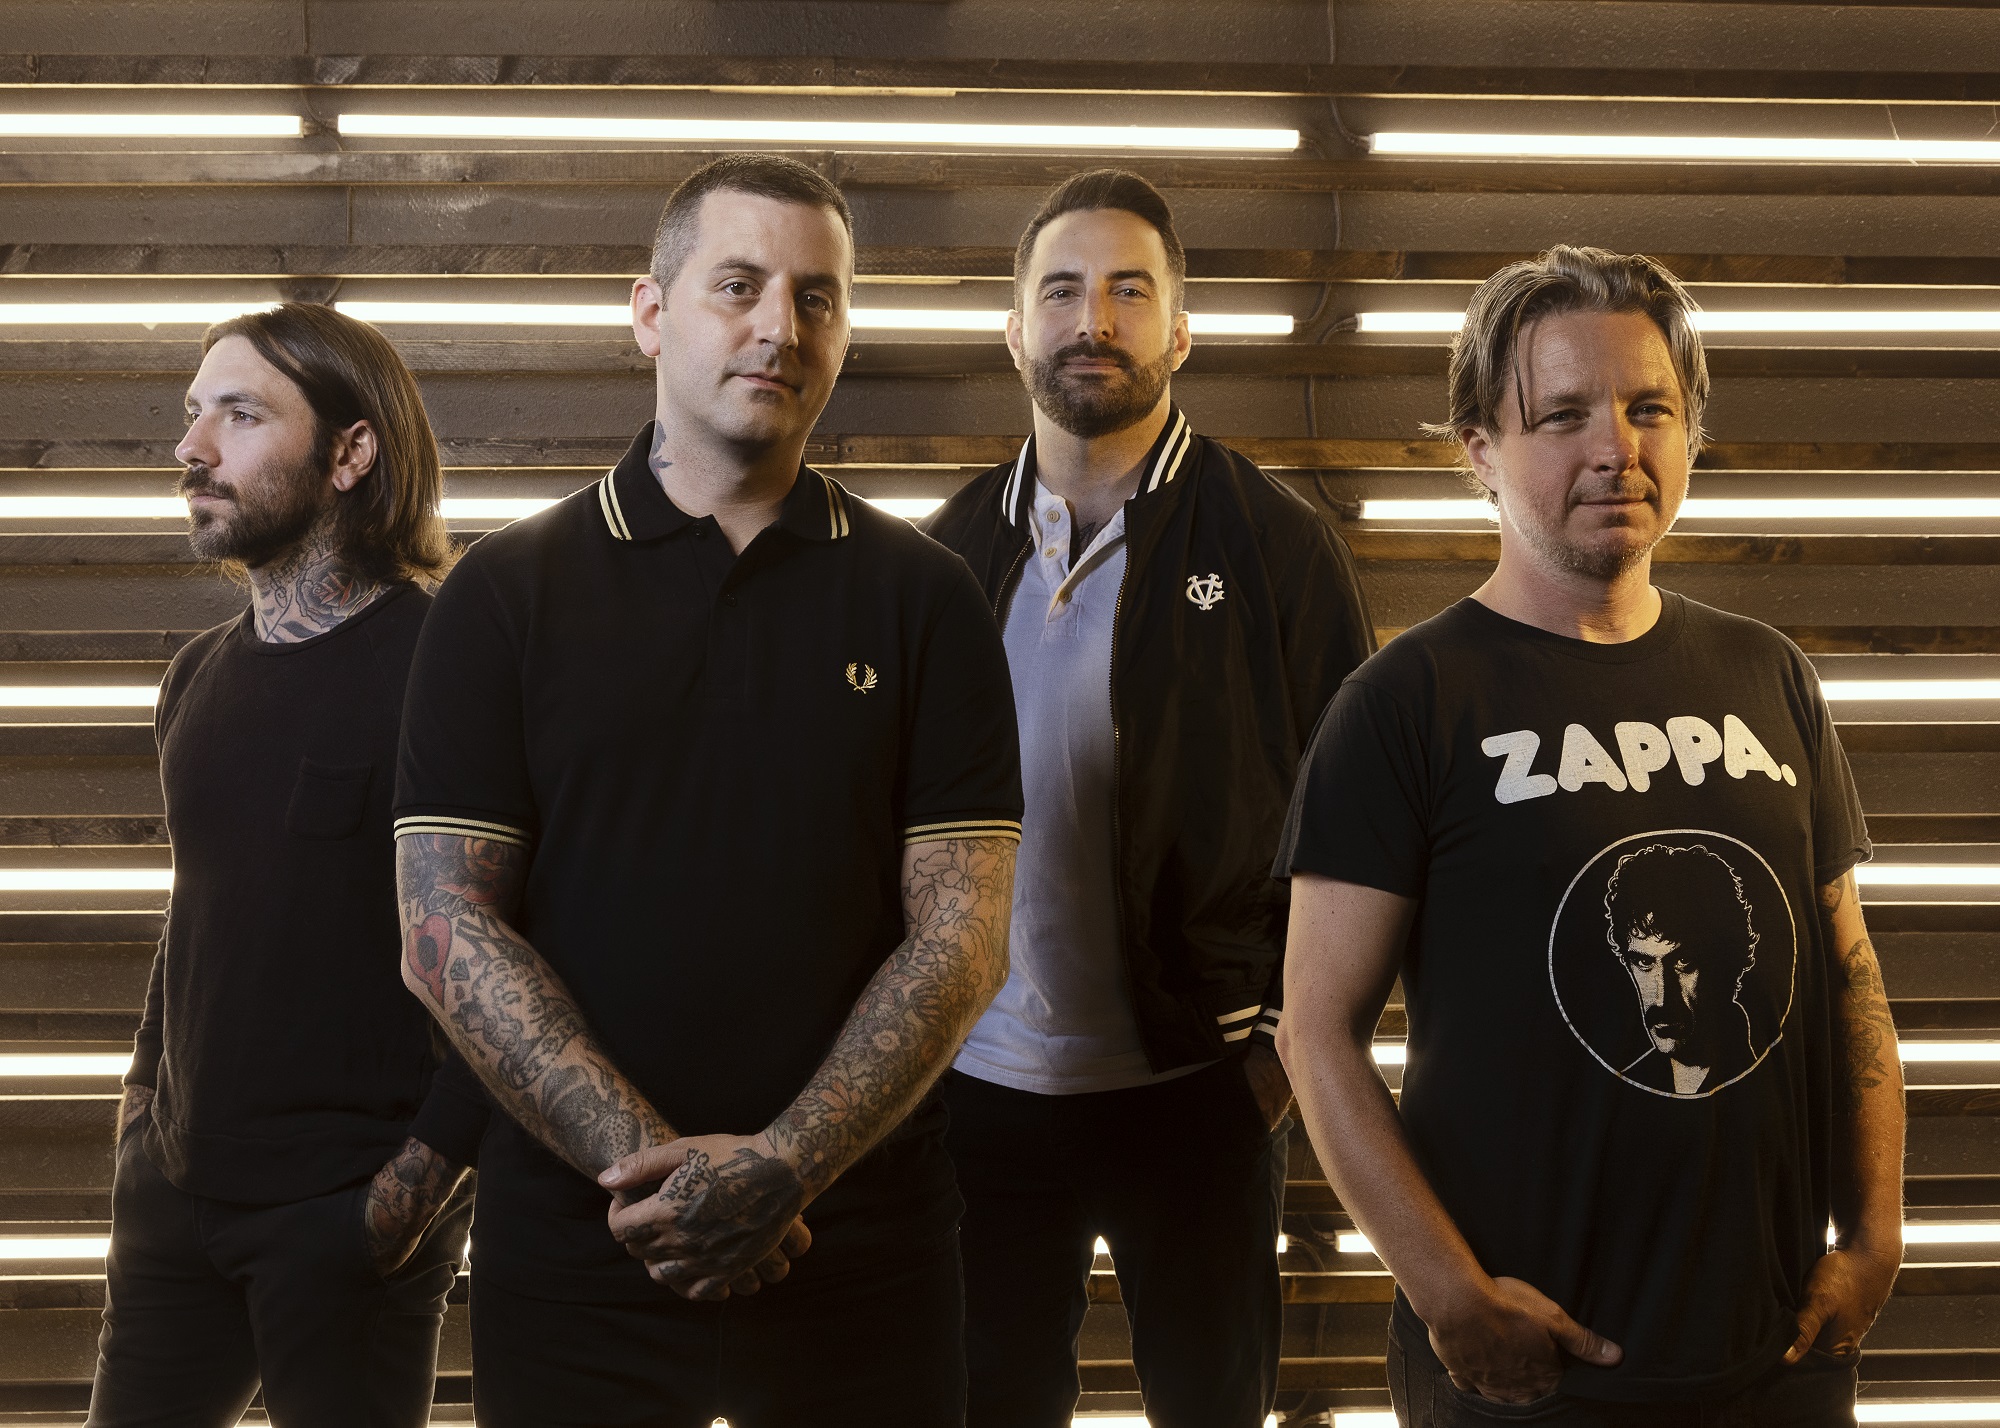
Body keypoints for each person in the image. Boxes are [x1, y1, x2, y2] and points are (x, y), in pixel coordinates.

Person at [393, 153, 1023, 1428]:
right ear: (649, 311)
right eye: (737, 285)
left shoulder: (924, 598)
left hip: (865, 1256)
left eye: (818, 298)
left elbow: (963, 933)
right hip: (580, 1262)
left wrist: (786, 1168)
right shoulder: (506, 595)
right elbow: (444, 927)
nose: (778, 328)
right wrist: (666, 1187)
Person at [1275, 245, 1904, 1426]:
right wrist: (1448, 1296)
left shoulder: (1769, 678)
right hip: (1526, 1366)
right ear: (1479, 450)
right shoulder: (1405, 702)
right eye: (1560, 414)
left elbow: (1846, 974)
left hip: (1774, 1353)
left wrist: (1873, 1237)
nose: (1614, 447)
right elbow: (1315, 1033)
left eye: (1647, 408)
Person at [922, 169, 1375, 1428]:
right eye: (1061, 291)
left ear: (1179, 329)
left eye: (1130, 290)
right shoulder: (948, 552)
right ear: (1015, 329)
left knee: (1211, 1405)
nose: (1093, 319)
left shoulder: (1274, 544)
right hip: (981, 1091)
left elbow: (1362, 827)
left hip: (1197, 1086)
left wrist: (1281, 1053)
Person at [89, 304, 487, 1428]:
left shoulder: (445, 671)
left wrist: (411, 1190)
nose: (191, 448)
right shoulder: (197, 676)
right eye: (191, 413)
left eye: (241, 414)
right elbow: (200, 908)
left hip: (345, 1214)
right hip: (175, 1198)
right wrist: (139, 1112)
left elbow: (520, 943)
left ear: (352, 453)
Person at [1605, 841, 1763, 1095]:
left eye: (1683, 961)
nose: (1662, 998)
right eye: (1644, 962)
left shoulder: (1763, 1082)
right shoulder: (1622, 1087)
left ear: (1728, 960)